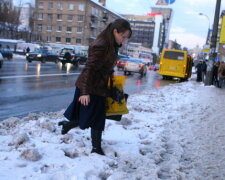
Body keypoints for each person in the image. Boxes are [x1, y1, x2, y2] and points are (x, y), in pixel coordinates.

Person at [58, 19, 132, 155]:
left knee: (92, 116)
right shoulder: (102, 45)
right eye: (123, 36)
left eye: (126, 38)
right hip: (90, 87)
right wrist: (84, 92)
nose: (124, 40)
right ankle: (96, 148)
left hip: (99, 86)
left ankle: (68, 126)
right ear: (115, 31)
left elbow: (103, 67)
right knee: (96, 118)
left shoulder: (111, 44)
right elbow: (89, 69)